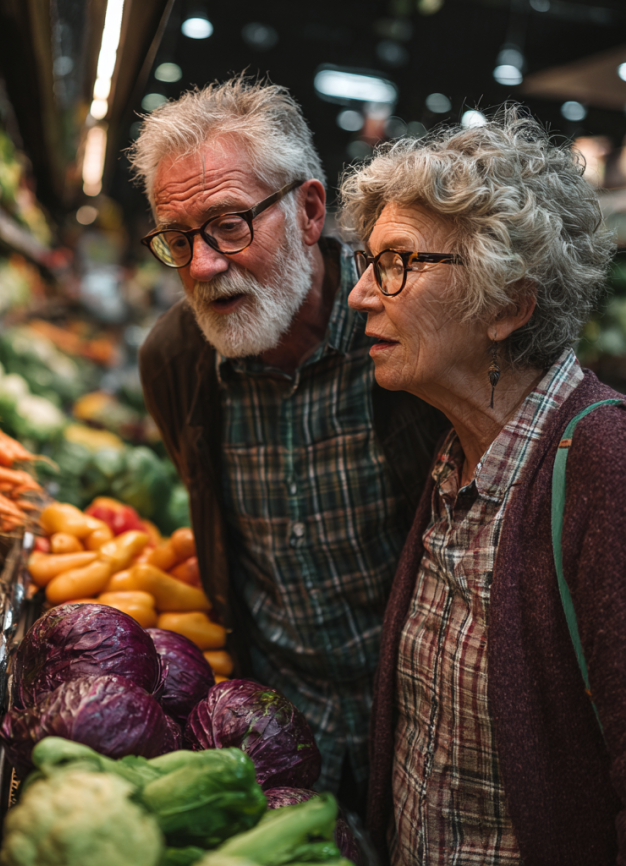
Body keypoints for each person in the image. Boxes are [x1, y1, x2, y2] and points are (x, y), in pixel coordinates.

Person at [128, 76, 447, 808]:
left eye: (230, 224)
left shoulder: (407, 335)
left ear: (308, 212)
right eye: (178, 240)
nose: (203, 265)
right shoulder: (174, 360)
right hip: (274, 740)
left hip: (427, 740)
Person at [341, 107, 626, 865]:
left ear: (508, 304)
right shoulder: (451, 456)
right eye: (367, 264)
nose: (361, 296)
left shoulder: (603, 467)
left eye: (397, 263)